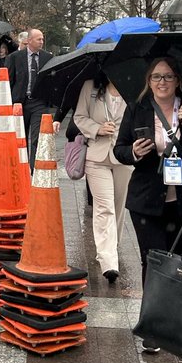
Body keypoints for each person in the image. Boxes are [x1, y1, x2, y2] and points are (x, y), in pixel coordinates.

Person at [114, 56, 182, 350]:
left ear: (177, 80)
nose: (162, 82)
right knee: (153, 260)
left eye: (168, 77)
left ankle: (175, 321)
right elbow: (120, 149)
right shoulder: (137, 109)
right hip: (146, 199)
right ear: (149, 81)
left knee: (179, 259)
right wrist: (134, 152)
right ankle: (153, 326)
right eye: (156, 77)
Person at [71, 71, 133, 285]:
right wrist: (97, 129)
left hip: (124, 156)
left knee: (118, 206)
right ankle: (109, 261)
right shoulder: (91, 87)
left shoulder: (134, 88)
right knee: (104, 206)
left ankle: (110, 248)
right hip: (96, 156)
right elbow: (79, 117)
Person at [6, 28, 54, 166]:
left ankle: (34, 168)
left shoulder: (48, 58)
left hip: (39, 102)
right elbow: (9, 81)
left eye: (42, 39)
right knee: (21, 136)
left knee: (37, 137)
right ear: (29, 40)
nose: (42, 42)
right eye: (39, 39)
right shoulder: (15, 58)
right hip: (20, 102)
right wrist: (9, 102)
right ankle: (21, 166)